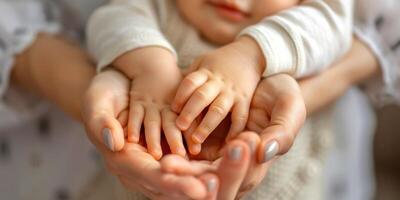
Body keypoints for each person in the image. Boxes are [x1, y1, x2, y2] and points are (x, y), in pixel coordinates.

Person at [86, 0, 353, 159]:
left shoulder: (297, 27)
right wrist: (151, 66)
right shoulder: (162, 7)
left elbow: (331, 22)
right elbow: (111, 17)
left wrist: (251, 55)